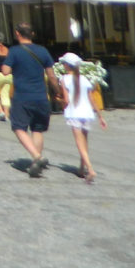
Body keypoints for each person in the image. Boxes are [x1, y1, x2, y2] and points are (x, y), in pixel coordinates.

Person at [1, 22, 58, 177]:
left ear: (17, 34)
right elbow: (52, 76)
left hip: (22, 97)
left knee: (18, 127)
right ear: (32, 34)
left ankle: (37, 156)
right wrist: (57, 91)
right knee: (37, 129)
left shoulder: (14, 51)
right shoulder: (43, 50)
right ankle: (35, 163)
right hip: (41, 96)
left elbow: (5, 71)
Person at [57, 52, 106, 183]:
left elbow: (66, 101)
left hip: (74, 113)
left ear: (67, 65)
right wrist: (100, 116)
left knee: (80, 143)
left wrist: (59, 100)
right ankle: (81, 167)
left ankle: (90, 169)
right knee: (84, 141)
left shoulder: (64, 79)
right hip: (87, 113)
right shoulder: (84, 79)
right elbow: (92, 99)